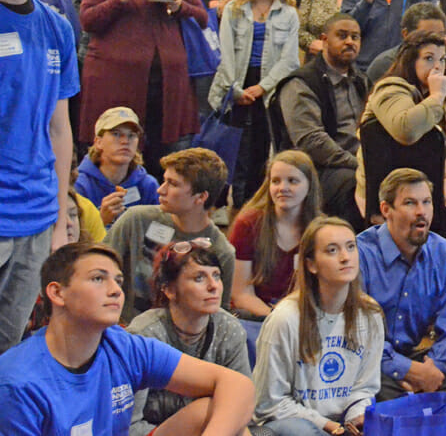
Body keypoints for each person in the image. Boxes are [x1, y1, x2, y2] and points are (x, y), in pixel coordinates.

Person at [0, 242, 255, 435]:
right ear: (57, 293)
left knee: (217, 413)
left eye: (118, 281)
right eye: (98, 278)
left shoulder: (123, 345)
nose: (115, 291)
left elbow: (237, 385)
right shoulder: (18, 382)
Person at [0, 0, 78, 353]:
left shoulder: (56, 26)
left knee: (8, 347)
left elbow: (59, 128)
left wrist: (58, 218)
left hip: (34, 212)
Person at [79, 0, 207, 176]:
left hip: (166, 89)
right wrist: (117, 1)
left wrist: (180, 5)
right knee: (117, 156)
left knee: (162, 154)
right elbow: (87, 20)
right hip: (116, 88)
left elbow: (201, 17)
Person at [252, 216, 384, 436]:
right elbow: (269, 403)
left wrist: (358, 417)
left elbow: (364, 387)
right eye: (332, 250)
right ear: (311, 264)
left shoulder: (370, 315)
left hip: (341, 426)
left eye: (350, 247)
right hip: (291, 425)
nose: (345, 257)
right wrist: (326, 425)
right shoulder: (285, 319)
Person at [358, 168, 446, 399]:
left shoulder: (445, 254)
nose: (421, 212)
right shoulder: (360, 254)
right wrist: (409, 371)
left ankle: (414, 399)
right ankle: (426, 401)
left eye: (427, 202)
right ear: (386, 210)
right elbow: (358, 339)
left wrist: (432, 370)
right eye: (410, 203)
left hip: (418, 361)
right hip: (374, 363)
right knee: (362, 377)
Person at [127, 242, 253, 436]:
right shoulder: (144, 334)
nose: (213, 286)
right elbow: (130, 426)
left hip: (213, 430)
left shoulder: (229, 328)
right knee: (207, 409)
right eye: (199, 277)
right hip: (155, 433)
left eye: (217, 276)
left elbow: (243, 405)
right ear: (168, 289)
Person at [103, 148, 236, 323]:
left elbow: (216, 316)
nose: (160, 190)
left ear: (200, 197)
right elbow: (100, 269)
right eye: (164, 181)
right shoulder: (136, 219)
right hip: (125, 330)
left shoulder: (221, 251)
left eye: (173, 184)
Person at [209, 0, 301, 205]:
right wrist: (236, 89)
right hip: (235, 83)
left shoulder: (288, 13)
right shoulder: (234, 9)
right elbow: (224, 52)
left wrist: (262, 87)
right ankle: (226, 203)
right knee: (232, 148)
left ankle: (252, 204)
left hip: (269, 87)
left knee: (261, 148)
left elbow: (290, 58)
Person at [356, 31, 446, 233]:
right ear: (411, 61)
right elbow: (406, 130)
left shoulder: (429, 94)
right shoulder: (390, 89)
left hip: (427, 187)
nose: (438, 67)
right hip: (387, 194)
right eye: (429, 59)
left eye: (442, 59)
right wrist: (437, 96)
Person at [272, 14, 368, 229]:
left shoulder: (361, 80)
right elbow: (311, 141)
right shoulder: (301, 83)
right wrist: (360, 165)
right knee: (354, 183)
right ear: (324, 40)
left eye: (355, 37)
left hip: (358, 161)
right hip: (315, 168)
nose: (350, 42)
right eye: (342, 36)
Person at [229, 151, 323, 319]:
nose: (282, 188)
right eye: (275, 181)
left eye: (292, 181)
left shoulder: (321, 230)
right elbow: (241, 293)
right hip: (253, 315)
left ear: (309, 185)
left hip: (300, 315)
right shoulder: (247, 224)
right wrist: (275, 318)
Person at [365, 2, 446, 120]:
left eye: (440, 35)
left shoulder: (445, 61)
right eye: (427, 36)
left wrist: (429, 109)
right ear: (405, 34)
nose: (434, 42)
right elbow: (403, 120)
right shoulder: (386, 64)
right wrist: (435, 100)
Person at [76, 106, 161, 226]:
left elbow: (160, 233)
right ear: (98, 142)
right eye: (116, 134)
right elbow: (73, 238)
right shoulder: (80, 186)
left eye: (131, 135)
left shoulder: (148, 185)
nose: (125, 141)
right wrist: (100, 221)